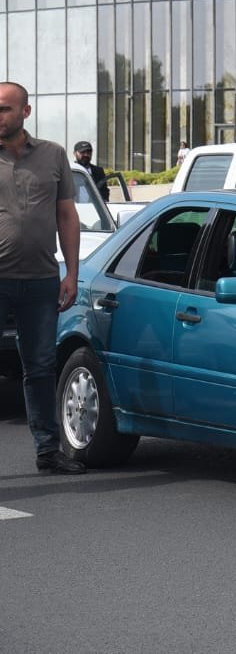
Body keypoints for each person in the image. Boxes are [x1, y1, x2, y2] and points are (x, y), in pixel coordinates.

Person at [0, 82, 86, 474]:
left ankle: (48, 451)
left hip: (41, 280)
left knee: (40, 368)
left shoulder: (53, 155)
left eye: (4, 109)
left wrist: (72, 272)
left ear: (25, 112)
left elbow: (67, 215)